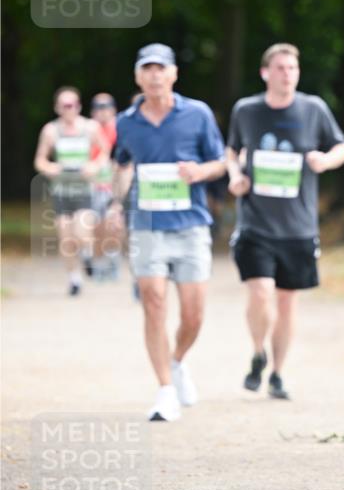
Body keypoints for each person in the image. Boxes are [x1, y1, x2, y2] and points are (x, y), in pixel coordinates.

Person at [226, 43, 344, 400]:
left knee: (286, 302)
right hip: (255, 223)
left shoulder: (313, 108)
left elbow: (342, 147)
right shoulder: (247, 110)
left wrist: (325, 161)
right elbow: (232, 150)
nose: (287, 74)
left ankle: (277, 373)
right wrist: (235, 175)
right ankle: (258, 351)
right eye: (280, 68)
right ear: (265, 73)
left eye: (292, 68)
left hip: (298, 226)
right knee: (260, 291)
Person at [109, 44, 226, 422]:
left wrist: (200, 171)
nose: (155, 75)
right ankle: (164, 391)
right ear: (138, 76)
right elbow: (122, 165)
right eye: (147, 68)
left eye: (161, 68)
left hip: (191, 225)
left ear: (174, 74)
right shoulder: (126, 122)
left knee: (193, 315)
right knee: (154, 300)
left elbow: (221, 161)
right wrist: (115, 204)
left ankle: (176, 361)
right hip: (147, 226)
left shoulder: (197, 114)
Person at [33, 86, 110, 295]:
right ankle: (74, 279)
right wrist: (50, 168)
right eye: (65, 105)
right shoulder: (50, 131)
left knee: (82, 231)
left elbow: (105, 151)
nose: (70, 109)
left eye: (73, 104)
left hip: (84, 189)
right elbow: (39, 160)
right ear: (57, 108)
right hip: (61, 191)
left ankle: (87, 253)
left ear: (79, 106)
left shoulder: (90, 127)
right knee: (66, 237)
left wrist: (94, 166)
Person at [88, 93, 122, 279]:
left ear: (113, 110)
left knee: (115, 223)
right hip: (93, 184)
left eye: (106, 107)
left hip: (115, 183)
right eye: (98, 108)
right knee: (96, 226)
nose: (102, 111)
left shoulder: (121, 128)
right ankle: (98, 260)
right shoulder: (88, 129)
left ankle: (112, 257)